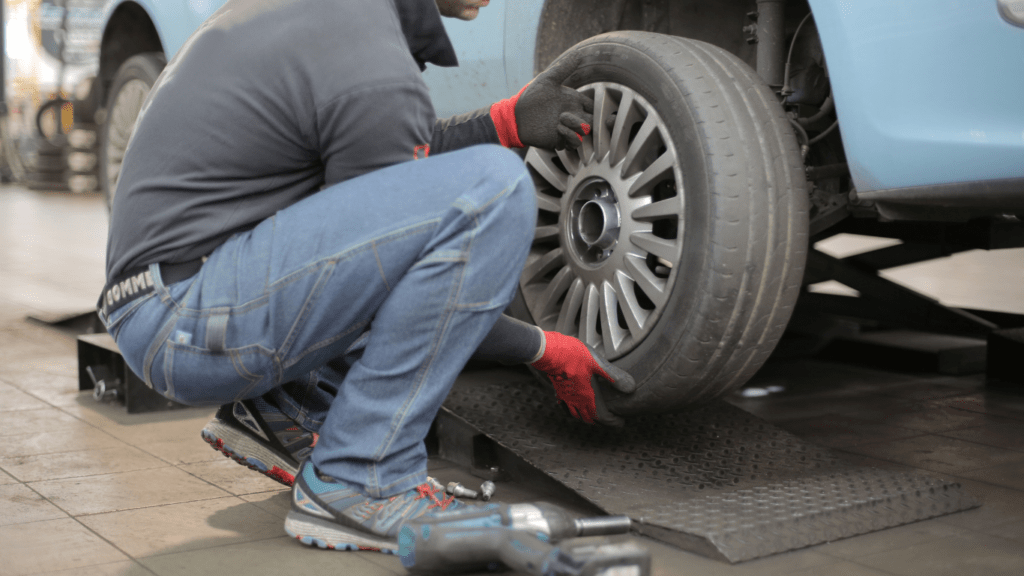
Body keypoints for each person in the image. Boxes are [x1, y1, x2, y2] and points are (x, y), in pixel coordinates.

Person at [98, 0, 633, 553]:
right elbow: (396, 262)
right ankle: (363, 476)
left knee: (448, 195)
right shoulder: (368, 50)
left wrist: (504, 122)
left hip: (168, 303)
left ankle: (288, 405)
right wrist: (540, 346)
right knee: (492, 192)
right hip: (191, 320)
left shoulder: (340, 17)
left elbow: (383, 186)